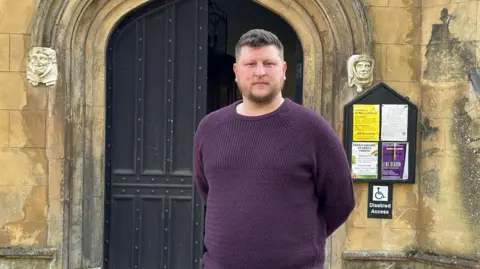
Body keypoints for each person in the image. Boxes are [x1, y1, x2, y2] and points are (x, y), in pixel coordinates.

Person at [193, 29, 355, 269]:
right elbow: (208, 190)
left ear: (283, 70)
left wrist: (303, 241)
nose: (260, 72)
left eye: (269, 63)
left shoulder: (312, 128)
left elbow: (341, 200)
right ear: (237, 72)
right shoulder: (210, 128)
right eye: (251, 64)